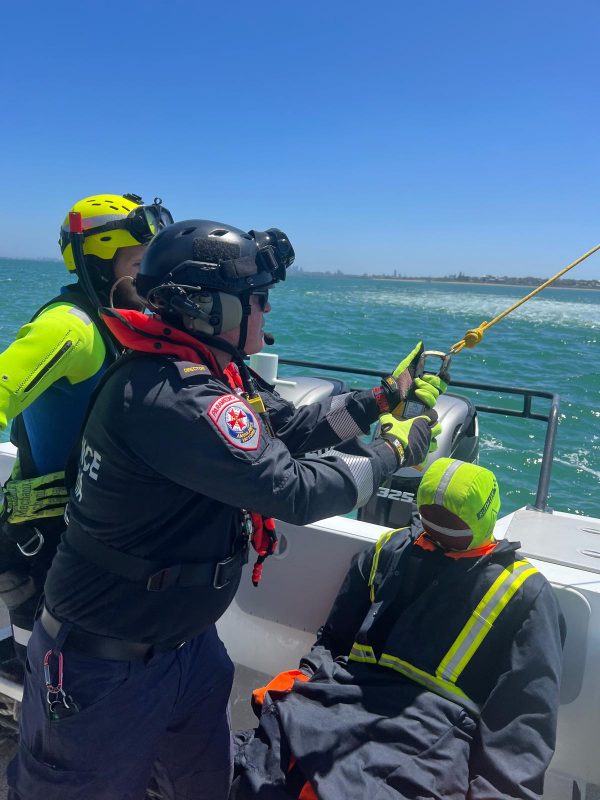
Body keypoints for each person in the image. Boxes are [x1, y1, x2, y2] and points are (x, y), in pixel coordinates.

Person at [7, 218, 446, 800]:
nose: (266, 311)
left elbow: (288, 428)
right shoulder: (171, 394)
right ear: (209, 308)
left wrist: (379, 400)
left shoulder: (214, 374)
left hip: (187, 650)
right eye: (257, 300)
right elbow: (292, 490)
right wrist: (394, 452)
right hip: (103, 669)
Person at [231, 457, 566, 800]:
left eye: (449, 521)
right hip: (338, 701)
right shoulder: (388, 550)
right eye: (430, 516)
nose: (436, 527)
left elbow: (521, 723)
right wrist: (308, 673)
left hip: (434, 732)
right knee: (258, 770)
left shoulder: (524, 592)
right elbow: (334, 638)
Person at [0, 193, 173, 675]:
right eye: (139, 264)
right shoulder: (69, 326)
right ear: (97, 264)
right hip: (47, 534)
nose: (152, 279)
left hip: (95, 525)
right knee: (50, 673)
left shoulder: (126, 322)